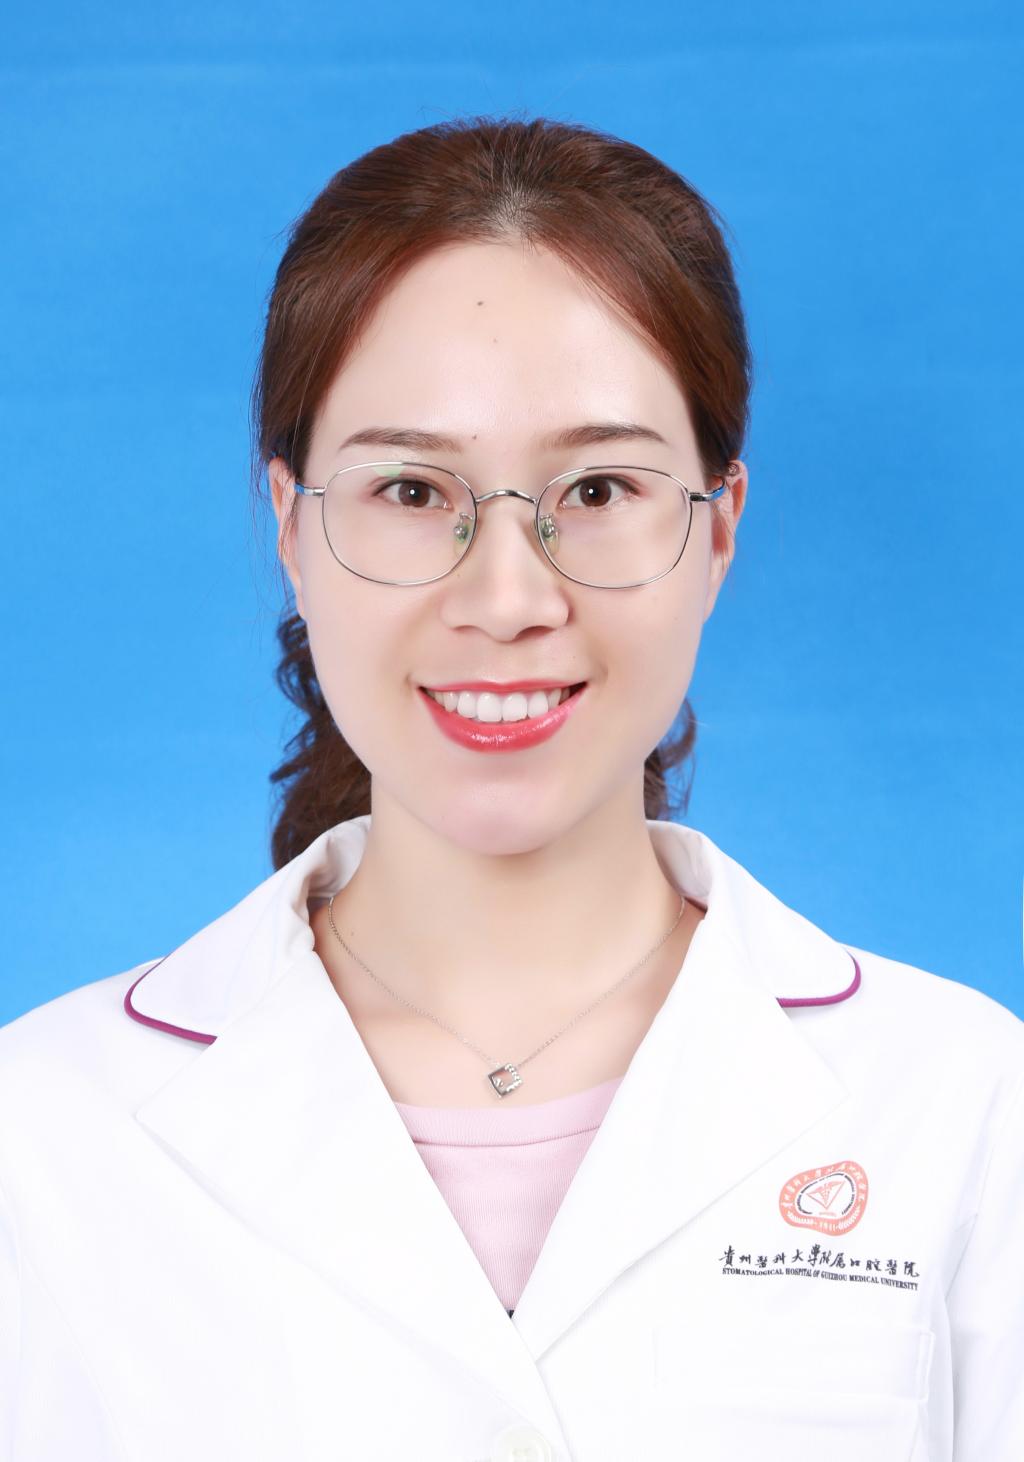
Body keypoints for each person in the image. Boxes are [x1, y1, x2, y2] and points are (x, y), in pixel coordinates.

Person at [0, 115, 1020, 1462]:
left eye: (596, 487)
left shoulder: (966, 1108)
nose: (507, 597)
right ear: (293, 526)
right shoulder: (41, 1132)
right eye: (413, 490)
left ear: (718, 526)